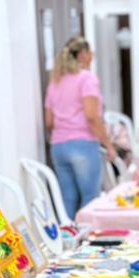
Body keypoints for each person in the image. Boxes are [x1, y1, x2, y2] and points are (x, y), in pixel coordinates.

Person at [44, 36, 115, 218]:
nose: (92, 56)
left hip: (58, 147)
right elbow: (92, 116)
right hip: (82, 144)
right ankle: (87, 243)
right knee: (90, 197)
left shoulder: (56, 81)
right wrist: (108, 145)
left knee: (67, 198)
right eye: (90, 52)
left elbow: (49, 122)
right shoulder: (86, 79)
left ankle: (68, 241)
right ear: (83, 55)